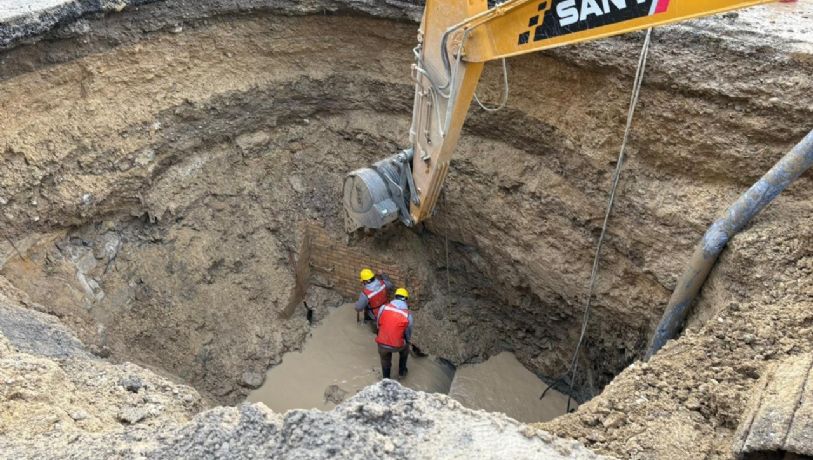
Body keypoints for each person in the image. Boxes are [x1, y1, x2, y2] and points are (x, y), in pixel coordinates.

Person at [375, 288, 413, 379]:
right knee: (405, 349)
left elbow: (378, 324)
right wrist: (407, 341)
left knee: (385, 359)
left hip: (382, 343)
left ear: (395, 297)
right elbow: (408, 333)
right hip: (397, 345)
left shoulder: (383, 308)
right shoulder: (408, 315)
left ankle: (386, 378)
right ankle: (402, 372)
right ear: (406, 299)